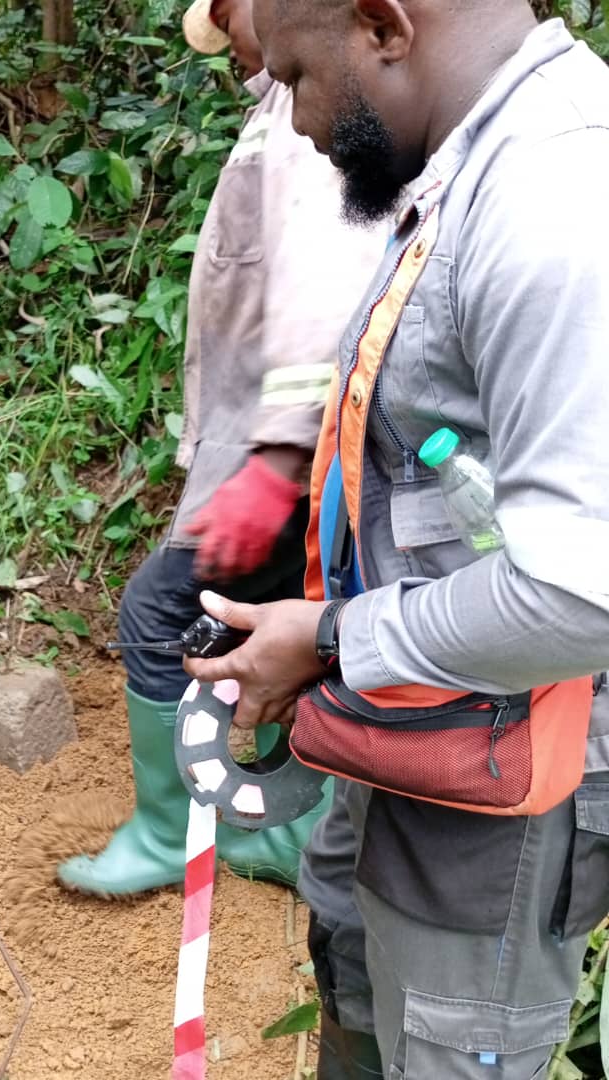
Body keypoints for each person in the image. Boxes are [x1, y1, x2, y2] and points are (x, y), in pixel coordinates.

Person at [186, 2, 609, 1076]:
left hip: (499, 784)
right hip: (409, 740)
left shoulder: (554, 197)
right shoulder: (462, 174)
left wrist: (331, 638)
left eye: (294, 75)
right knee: (358, 997)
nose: (292, 120)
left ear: (383, 25)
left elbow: (581, 592)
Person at [57, 0, 385, 896]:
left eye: (233, 16)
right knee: (292, 603)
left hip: (287, 444)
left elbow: (326, 274)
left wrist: (275, 459)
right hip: (281, 439)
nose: (232, 42)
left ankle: (174, 834)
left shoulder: (305, 108)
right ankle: (293, 828)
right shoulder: (279, 105)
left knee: (163, 614)